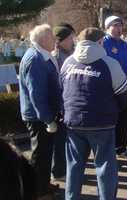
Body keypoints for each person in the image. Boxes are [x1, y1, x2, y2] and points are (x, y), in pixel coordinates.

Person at [60, 27, 127, 200]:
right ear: (100, 42)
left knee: (74, 167)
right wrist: (114, 111)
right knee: (105, 168)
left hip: (73, 123)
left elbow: (61, 90)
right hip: (102, 124)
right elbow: (124, 96)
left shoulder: (68, 62)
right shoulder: (110, 64)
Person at [19, 24, 62, 200]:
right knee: (40, 155)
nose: (55, 40)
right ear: (43, 39)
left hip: (43, 115)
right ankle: (37, 191)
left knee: (45, 153)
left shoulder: (42, 55)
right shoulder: (35, 59)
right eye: (52, 37)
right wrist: (48, 120)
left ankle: (43, 184)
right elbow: (37, 94)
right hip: (38, 117)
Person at [103, 15, 127, 160]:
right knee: (111, 121)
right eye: (115, 25)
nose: (118, 28)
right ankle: (108, 150)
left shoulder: (125, 45)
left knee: (124, 120)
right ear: (108, 27)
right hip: (109, 89)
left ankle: (121, 147)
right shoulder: (103, 43)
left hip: (125, 87)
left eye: (120, 25)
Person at [51, 23, 75, 181]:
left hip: (68, 103)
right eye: (70, 38)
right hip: (61, 105)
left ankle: (65, 167)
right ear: (60, 41)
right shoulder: (56, 57)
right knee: (59, 141)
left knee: (66, 139)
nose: (73, 41)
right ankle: (58, 172)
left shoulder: (70, 53)